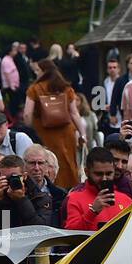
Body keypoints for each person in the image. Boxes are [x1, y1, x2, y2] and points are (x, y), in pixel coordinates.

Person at [25, 59, 85, 189]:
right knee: (69, 164)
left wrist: (29, 129)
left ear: (44, 72)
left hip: (44, 133)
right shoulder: (66, 88)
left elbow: (27, 114)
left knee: (47, 162)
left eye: (38, 71)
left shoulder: (34, 89)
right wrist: (83, 134)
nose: (36, 74)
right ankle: (71, 191)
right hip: (66, 132)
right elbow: (74, 113)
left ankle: (49, 189)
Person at [64, 147, 132, 230]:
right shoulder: (74, 198)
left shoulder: (126, 200)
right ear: (87, 172)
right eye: (98, 174)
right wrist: (92, 212)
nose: (104, 178)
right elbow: (70, 234)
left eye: (108, 173)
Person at [22, 144, 66, 227]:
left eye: (40, 163)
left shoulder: (60, 194)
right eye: (32, 163)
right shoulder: (15, 192)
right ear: (24, 165)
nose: (37, 168)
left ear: (46, 166)